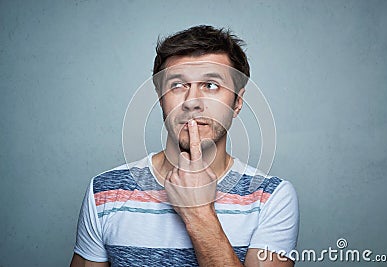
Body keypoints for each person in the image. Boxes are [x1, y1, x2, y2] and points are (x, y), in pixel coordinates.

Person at [70, 25, 299, 267]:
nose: (192, 102)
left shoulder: (272, 198)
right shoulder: (104, 192)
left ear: (238, 102)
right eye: (177, 85)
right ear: (161, 99)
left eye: (211, 85)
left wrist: (199, 212)